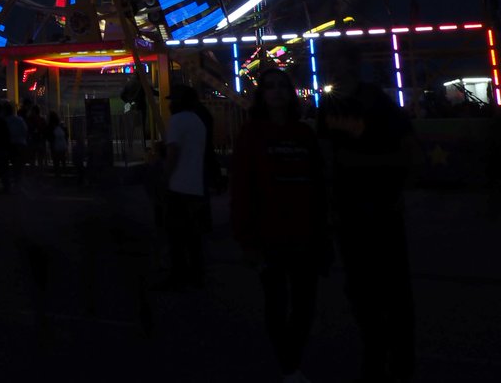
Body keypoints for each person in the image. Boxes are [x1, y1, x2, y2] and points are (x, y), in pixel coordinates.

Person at [319, 46, 417, 383]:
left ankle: (398, 357)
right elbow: (327, 154)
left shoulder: (377, 102)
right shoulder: (329, 105)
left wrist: (372, 170)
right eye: (330, 61)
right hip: (349, 208)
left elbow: (406, 149)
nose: (333, 67)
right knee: (360, 286)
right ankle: (376, 351)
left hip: (379, 205)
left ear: (353, 65)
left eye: (338, 60)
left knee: (391, 285)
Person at [231, 68, 328, 383]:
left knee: (304, 305)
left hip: (304, 230)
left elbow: (318, 184)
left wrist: (324, 231)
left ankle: (291, 361)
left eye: (282, 86)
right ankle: (290, 367)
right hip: (269, 231)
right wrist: (247, 239)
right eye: (269, 87)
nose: (276, 92)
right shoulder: (251, 133)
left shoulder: (304, 134)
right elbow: (242, 187)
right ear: (261, 95)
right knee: (276, 303)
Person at [161, 84, 208, 289]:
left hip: (178, 185)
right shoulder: (199, 122)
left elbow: (173, 153)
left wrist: (164, 177)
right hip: (195, 185)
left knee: (176, 235)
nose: (170, 104)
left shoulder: (177, 120)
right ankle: (196, 274)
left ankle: (178, 275)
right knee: (193, 235)